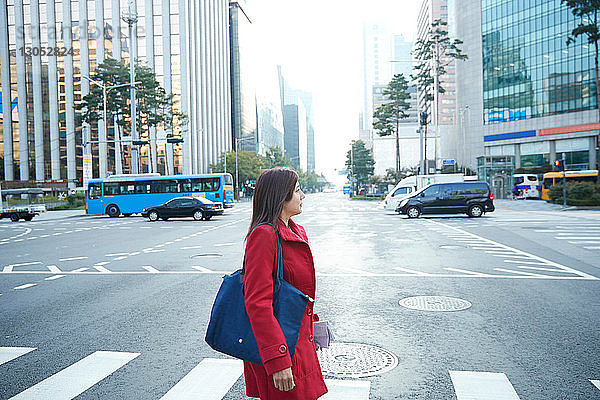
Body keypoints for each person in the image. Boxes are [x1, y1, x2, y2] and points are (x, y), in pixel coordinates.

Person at [243, 167, 328, 400]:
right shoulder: (264, 235)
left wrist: (313, 327)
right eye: (298, 191)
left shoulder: (295, 230)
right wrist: (277, 360)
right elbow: (257, 304)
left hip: (299, 341)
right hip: (281, 348)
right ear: (281, 197)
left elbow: (297, 290)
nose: (303, 196)